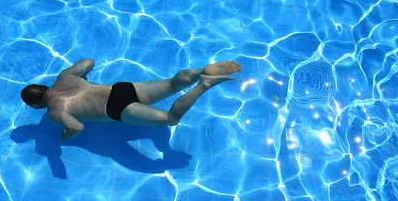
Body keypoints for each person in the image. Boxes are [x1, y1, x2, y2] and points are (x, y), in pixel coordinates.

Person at [21, 59, 242, 140]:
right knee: (174, 83)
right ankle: (202, 70)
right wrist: (83, 77)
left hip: (114, 109)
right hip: (120, 89)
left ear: (34, 104)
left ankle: (204, 84)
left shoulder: (53, 112)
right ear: (43, 87)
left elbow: (77, 126)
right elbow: (88, 62)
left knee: (170, 118)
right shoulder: (64, 77)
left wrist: (65, 135)